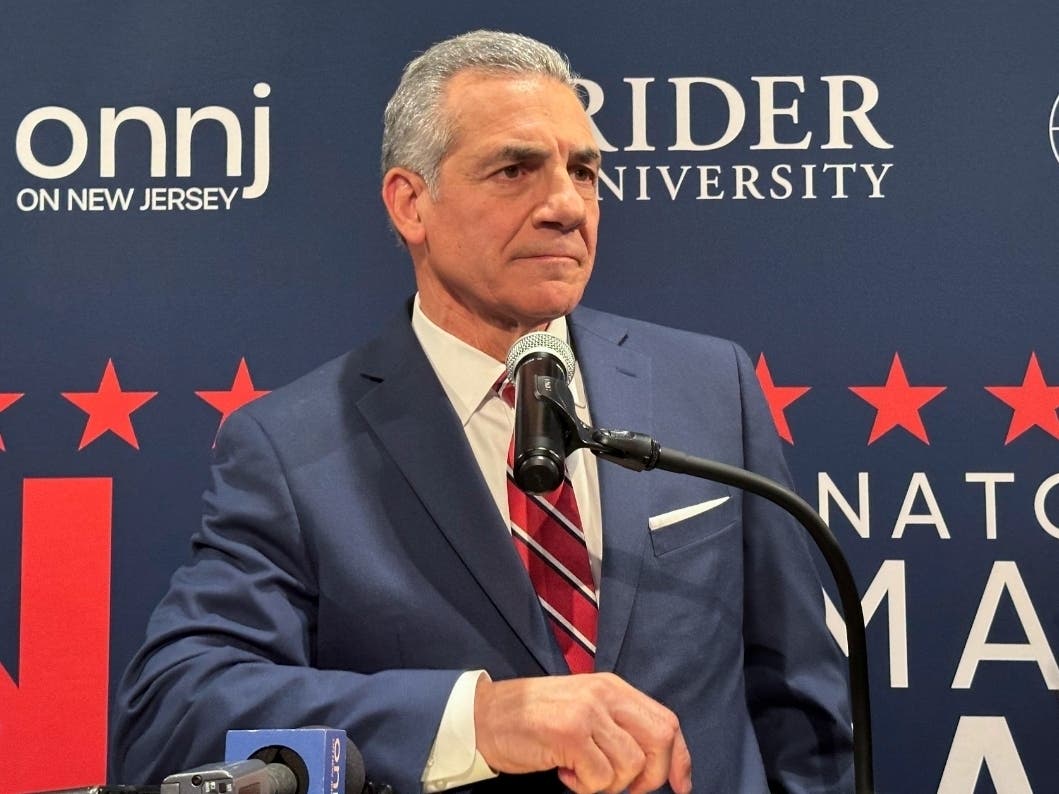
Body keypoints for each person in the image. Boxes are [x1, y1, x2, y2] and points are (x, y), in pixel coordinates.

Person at [110, 30, 853, 794]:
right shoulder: (291, 448)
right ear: (410, 204)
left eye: (583, 171)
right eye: (514, 170)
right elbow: (170, 713)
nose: (565, 205)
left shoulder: (709, 386)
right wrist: (479, 719)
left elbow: (803, 706)